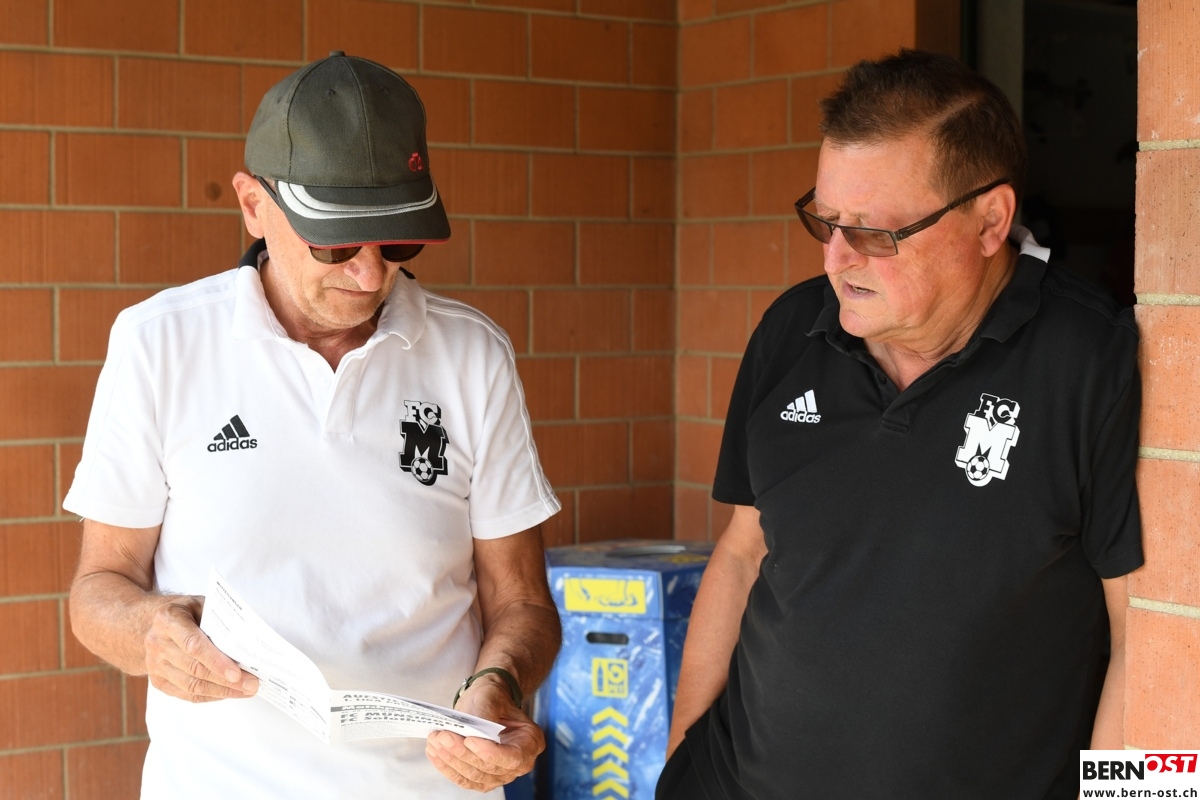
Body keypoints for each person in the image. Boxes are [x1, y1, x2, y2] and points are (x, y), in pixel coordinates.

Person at [65, 52, 562, 799]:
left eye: (397, 242)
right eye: (335, 243)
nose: (370, 274)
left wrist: (502, 682)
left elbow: (521, 600)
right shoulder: (160, 344)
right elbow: (99, 589)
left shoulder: (472, 355)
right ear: (253, 205)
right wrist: (149, 633)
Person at [659, 49, 1142, 800]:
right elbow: (743, 553)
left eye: (874, 233)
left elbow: (1149, 633)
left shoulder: (1092, 361)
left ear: (990, 220)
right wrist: (680, 767)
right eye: (825, 221)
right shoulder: (792, 329)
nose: (836, 259)